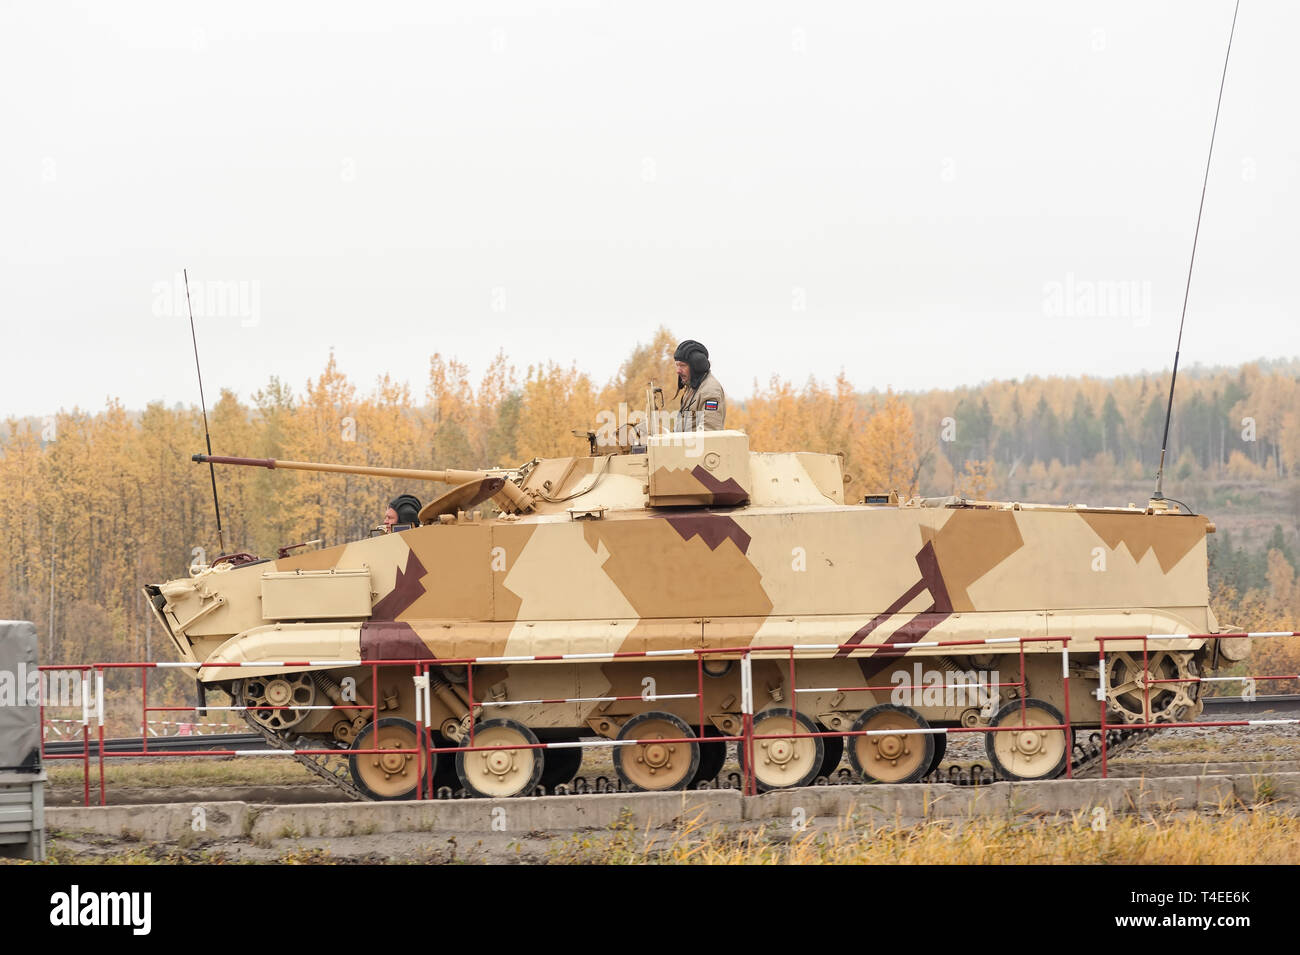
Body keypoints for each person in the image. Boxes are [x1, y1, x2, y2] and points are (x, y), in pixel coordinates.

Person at [672, 339, 726, 432]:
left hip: (699, 446)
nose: (678, 370)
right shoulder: (692, 388)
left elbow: (708, 433)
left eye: (683, 365)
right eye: (677, 365)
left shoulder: (709, 391)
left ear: (697, 367)